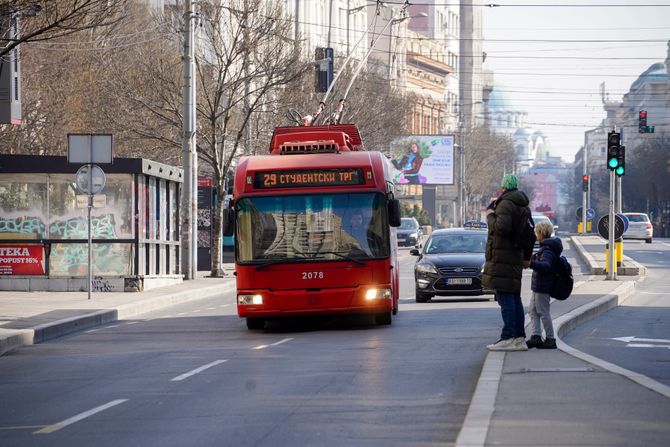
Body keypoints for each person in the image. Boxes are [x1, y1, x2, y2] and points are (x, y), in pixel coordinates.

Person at [482, 173, 532, 351]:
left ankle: (508, 337)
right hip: (515, 257)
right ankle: (519, 337)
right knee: (514, 297)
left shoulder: (505, 204)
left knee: (505, 298)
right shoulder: (523, 205)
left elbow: (501, 228)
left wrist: (489, 216)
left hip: (503, 257)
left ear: (503, 188)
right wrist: (526, 257)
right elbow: (530, 235)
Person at [526, 220, 562, 349]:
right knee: (532, 310)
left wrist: (531, 264)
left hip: (543, 286)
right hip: (538, 285)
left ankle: (550, 339)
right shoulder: (545, 247)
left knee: (543, 312)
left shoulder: (547, 250)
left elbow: (546, 266)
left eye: (537, 232)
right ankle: (536, 336)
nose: (536, 235)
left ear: (541, 233)